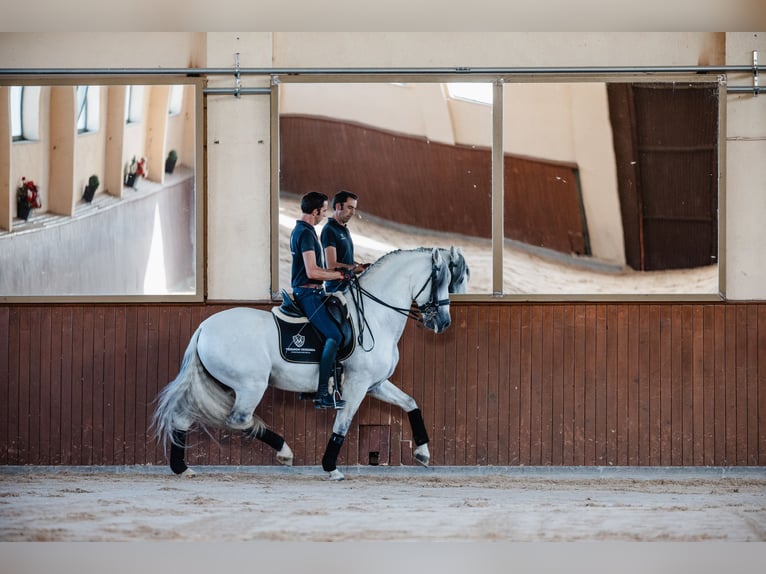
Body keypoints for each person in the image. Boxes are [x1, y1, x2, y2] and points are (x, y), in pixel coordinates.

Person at [290, 191, 348, 410]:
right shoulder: (305, 234)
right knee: (334, 334)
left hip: (314, 292)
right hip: (308, 293)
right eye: (323, 211)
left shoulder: (305, 231)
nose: (325, 215)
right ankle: (322, 393)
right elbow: (313, 271)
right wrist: (340, 275)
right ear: (315, 212)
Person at [321, 190, 367, 293]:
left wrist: (360, 266)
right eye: (350, 208)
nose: (353, 213)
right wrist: (353, 267)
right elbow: (331, 265)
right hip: (337, 289)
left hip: (348, 286)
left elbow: (345, 260)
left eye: (354, 209)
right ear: (338, 206)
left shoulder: (344, 229)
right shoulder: (329, 230)